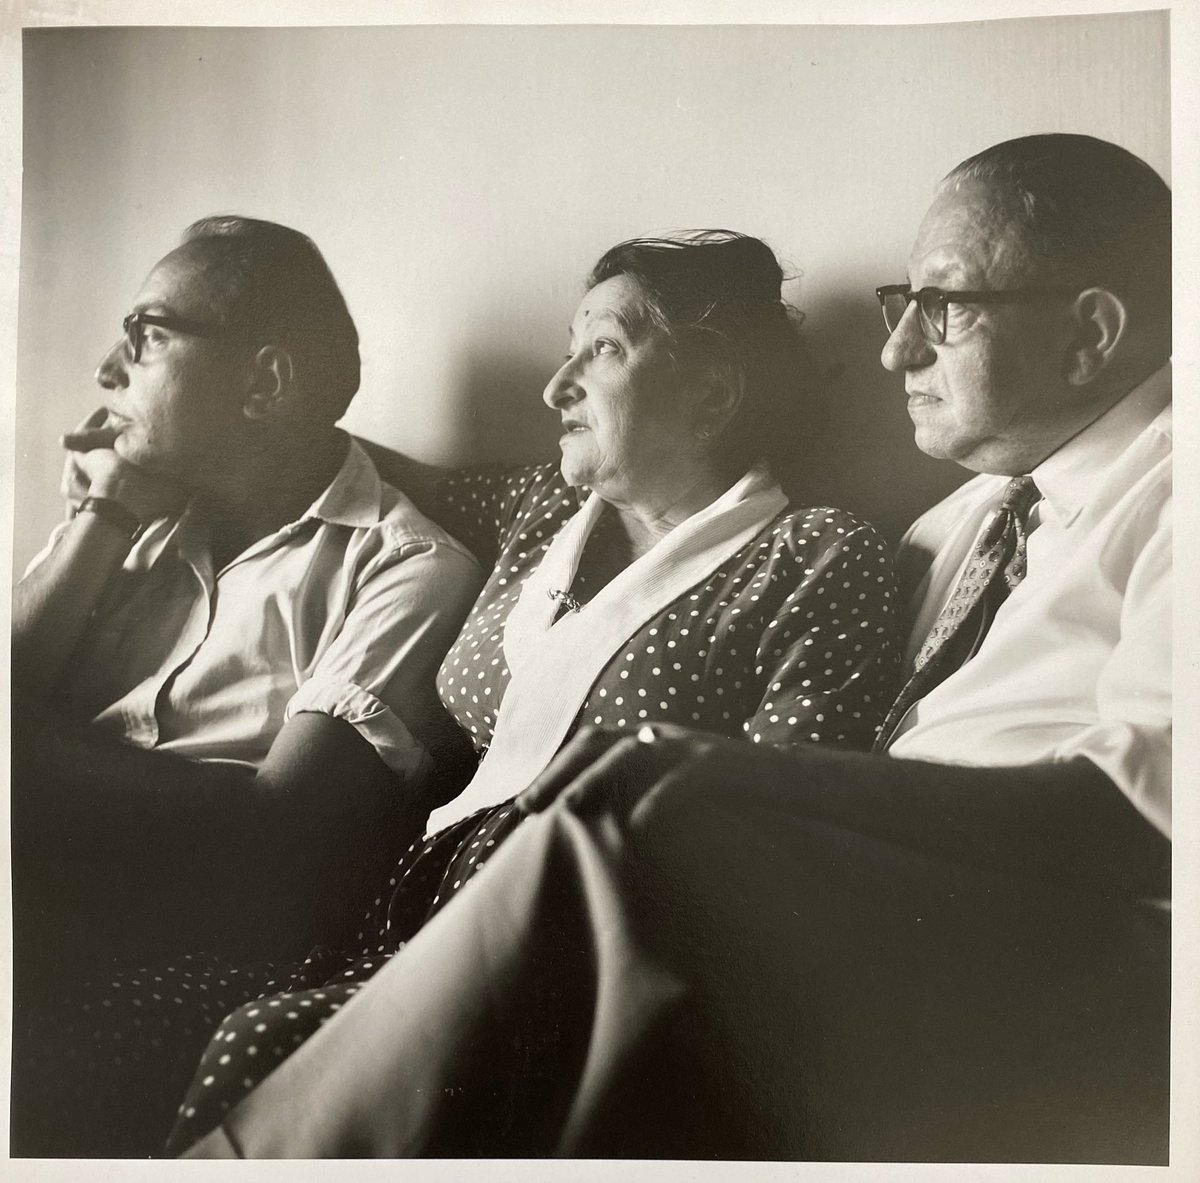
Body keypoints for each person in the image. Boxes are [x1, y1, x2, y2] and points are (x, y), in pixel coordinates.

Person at [179, 134, 1172, 1164]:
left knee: (607, 810)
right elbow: (401, 480)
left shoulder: (1167, 489)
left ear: (1091, 332)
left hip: (1031, 937)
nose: (897, 352)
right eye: (898, 306)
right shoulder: (960, 525)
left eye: (945, 307)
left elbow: (1146, 806)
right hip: (849, 914)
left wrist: (721, 782)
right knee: (290, 1011)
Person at [11, 229, 899, 1158]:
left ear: (713, 391)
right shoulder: (541, 511)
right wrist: (150, 452)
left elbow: (788, 824)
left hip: (575, 950)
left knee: (253, 1047)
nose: (557, 387)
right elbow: (324, 460)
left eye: (600, 350)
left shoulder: (817, 554)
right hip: (401, 927)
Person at [10, 216, 484, 972]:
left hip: (156, 919)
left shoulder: (407, 565)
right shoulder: (133, 511)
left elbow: (279, 830)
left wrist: (31, 758)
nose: (107, 370)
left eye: (147, 335)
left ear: (263, 383)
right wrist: (105, 513)